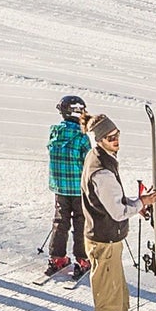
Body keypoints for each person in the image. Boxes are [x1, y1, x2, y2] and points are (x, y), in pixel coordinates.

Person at [82, 109, 151, 311]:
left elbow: (118, 206)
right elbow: (118, 210)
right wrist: (142, 203)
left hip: (110, 241)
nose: (115, 140)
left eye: (117, 135)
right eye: (110, 137)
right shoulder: (102, 171)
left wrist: (138, 204)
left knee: (120, 303)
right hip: (104, 242)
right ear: (99, 140)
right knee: (108, 306)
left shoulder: (102, 159)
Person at [43, 92, 93, 275]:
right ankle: (83, 258)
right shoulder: (81, 137)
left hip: (60, 187)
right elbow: (89, 161)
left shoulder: (55, 132)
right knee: (81, 223)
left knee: (60, 221)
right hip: (79, 189)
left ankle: (57, 257)